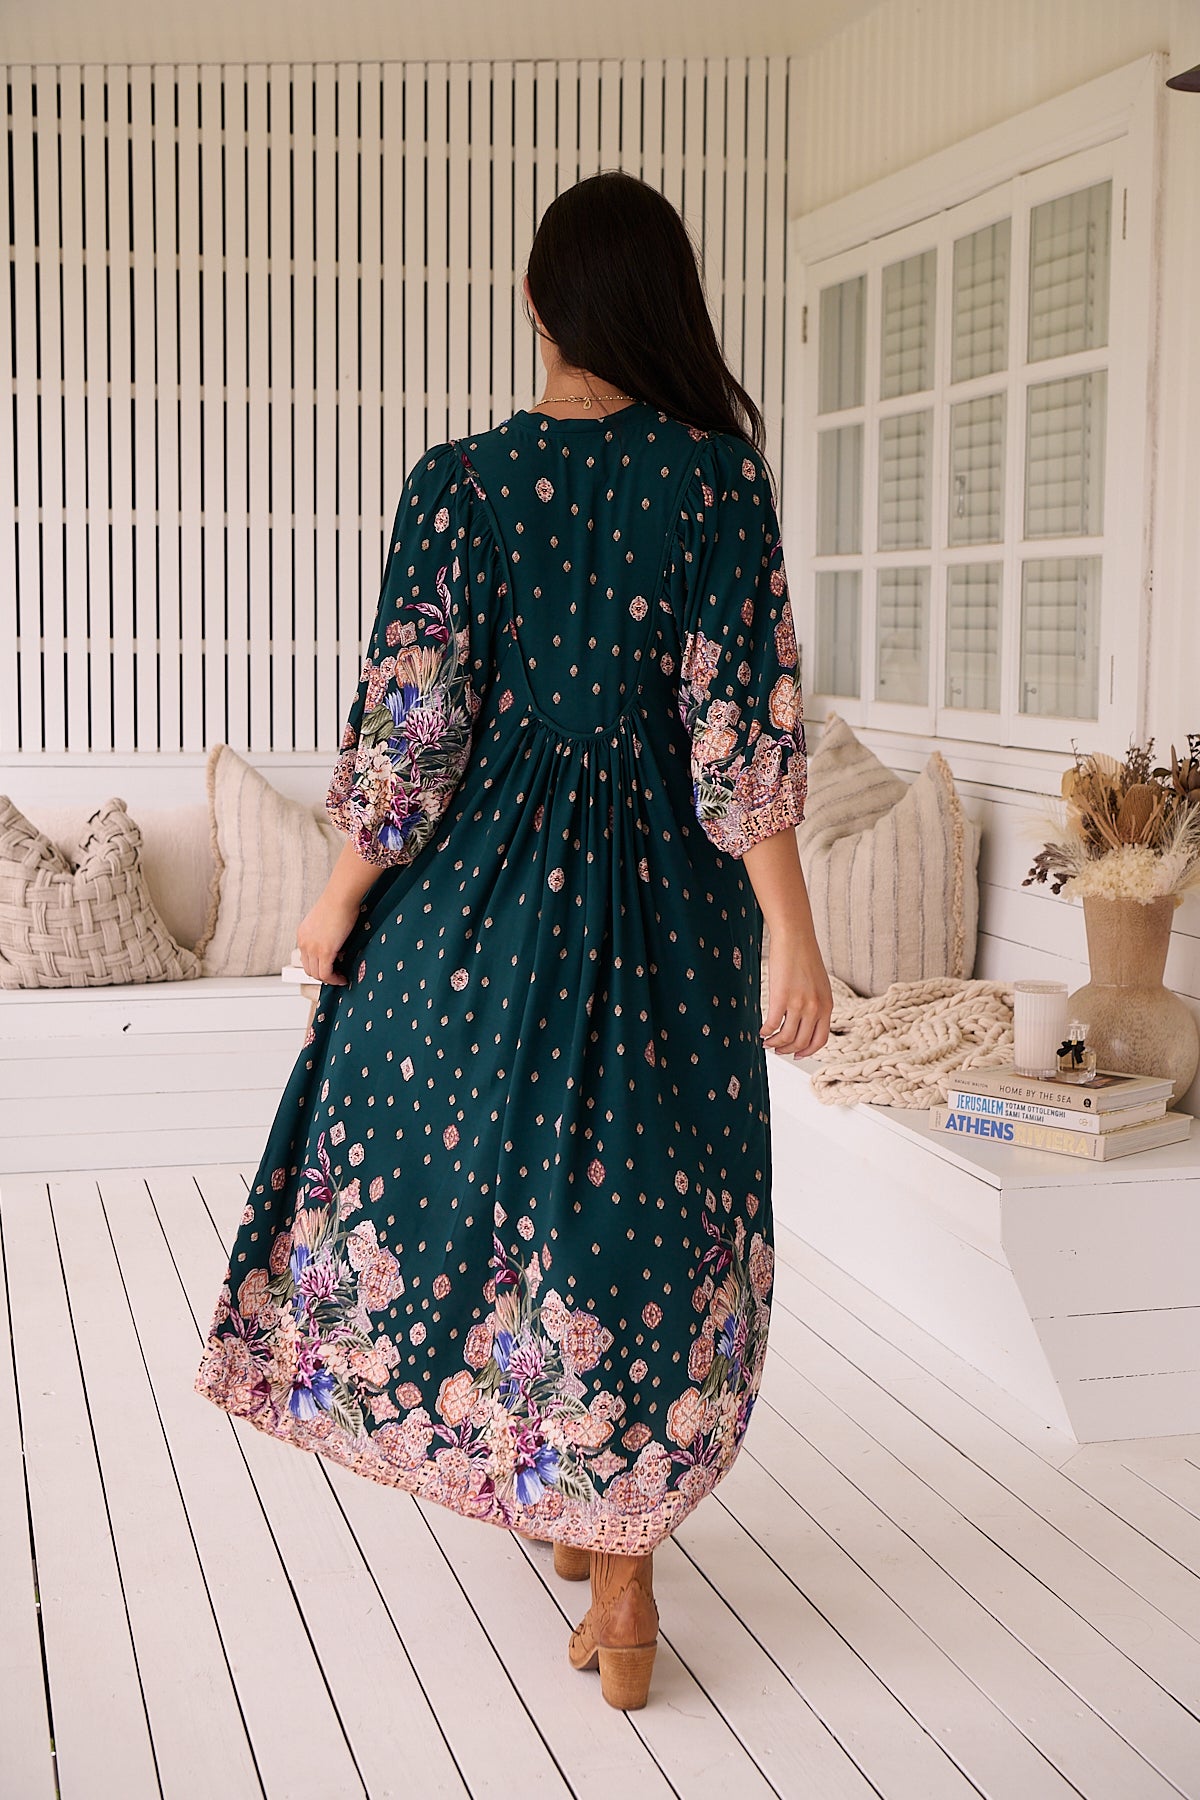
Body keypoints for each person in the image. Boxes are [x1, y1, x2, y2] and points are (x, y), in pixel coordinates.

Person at [194, 169, 833, 1713]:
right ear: (664, 309)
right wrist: (793, 946)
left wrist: (335, 907)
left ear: (540, 307)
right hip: (667, 912)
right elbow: (741, 744)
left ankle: (615, 1565)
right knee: (630, 1203)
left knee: (479, 1182)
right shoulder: (719, 484)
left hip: (483, 900)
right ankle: (604, 1530)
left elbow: (413, 735)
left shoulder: (464, 483)